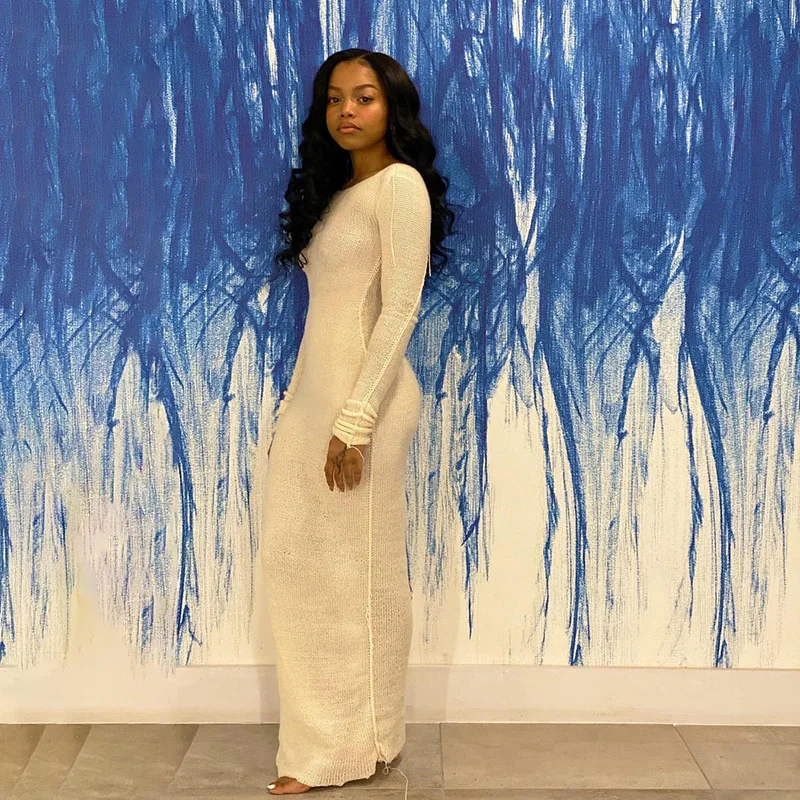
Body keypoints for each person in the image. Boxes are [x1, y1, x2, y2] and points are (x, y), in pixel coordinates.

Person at [262, 48, 454, 795]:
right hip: (318, 403)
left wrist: (356, 419)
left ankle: (340, 750)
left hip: (363, 406)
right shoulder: (339, 192)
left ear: (391, 107)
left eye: (365, 97)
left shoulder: (400, 186)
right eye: (335, 98)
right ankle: (344, 738)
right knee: (300, 568)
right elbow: (327, 317)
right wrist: (299, 408)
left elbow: (400, 308)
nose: (347, 110)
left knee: (354, 572)